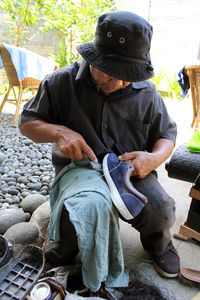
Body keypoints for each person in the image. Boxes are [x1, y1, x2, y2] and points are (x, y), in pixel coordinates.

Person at [19, 10, 180, 294]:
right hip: (80, 169)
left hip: (129, 170)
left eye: (126, 76)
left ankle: (159, 242)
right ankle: (63, 242)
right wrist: (59, 132)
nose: (118, 82)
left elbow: (166, 135)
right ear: (94, 57)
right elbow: (27, 122)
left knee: (160, 211)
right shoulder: (60, 82)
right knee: (76, 226)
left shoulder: (147, 94)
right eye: (111, 72)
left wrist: (152, 159)